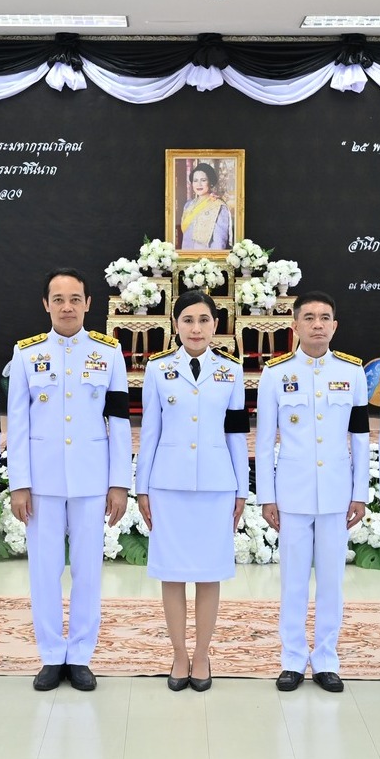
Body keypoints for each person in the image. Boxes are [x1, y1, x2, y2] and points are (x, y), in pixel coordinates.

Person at [7, 269, 132, 692]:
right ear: (46, 304)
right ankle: (50, 655)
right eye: (58, 299)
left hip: (91, 478)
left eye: (75, 298)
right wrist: (19, 483)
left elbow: (118, 421)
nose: (66, 306)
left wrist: (119, 482)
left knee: (87, 570)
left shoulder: (108, 353)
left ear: (88, 303)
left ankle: (79, 654)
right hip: (41, 481)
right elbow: (18, 424)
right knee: (43, 570)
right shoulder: (26, 355)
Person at [256, 291, 370, 693]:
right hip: (292, 493)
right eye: (309, 317)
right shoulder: (275, 374)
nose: (318, 324)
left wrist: (360, 493)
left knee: (332, 580)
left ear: (335, 325)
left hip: (337, 494)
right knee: (292, 580)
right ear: (296, 325)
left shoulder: (353, 373)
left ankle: (325, 659)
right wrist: (267, 497)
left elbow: (359, 437)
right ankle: (291, 659)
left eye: (325, 317)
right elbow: (265, 437)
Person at [138, 289, 249, 692]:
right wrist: (142, 488)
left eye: (203, 320)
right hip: (167, 484)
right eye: (187, 320)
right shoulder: (158, 370)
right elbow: (150, 431)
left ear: (216, 325)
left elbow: (237, 434)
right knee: (171, 574)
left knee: (208, 574)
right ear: (175, 325)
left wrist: (242, 489)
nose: (196, 328)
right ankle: (179, 654)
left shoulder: (230, 372)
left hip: (217, 485)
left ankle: (201, 655)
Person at [176, 161, 234, 251]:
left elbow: (219, 243)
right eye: (195, 181)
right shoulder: (188, 205)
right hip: (186, 257)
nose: (199, 184)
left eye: (203, 180)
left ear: (210, 182)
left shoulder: (219, 207)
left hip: (207, 261)